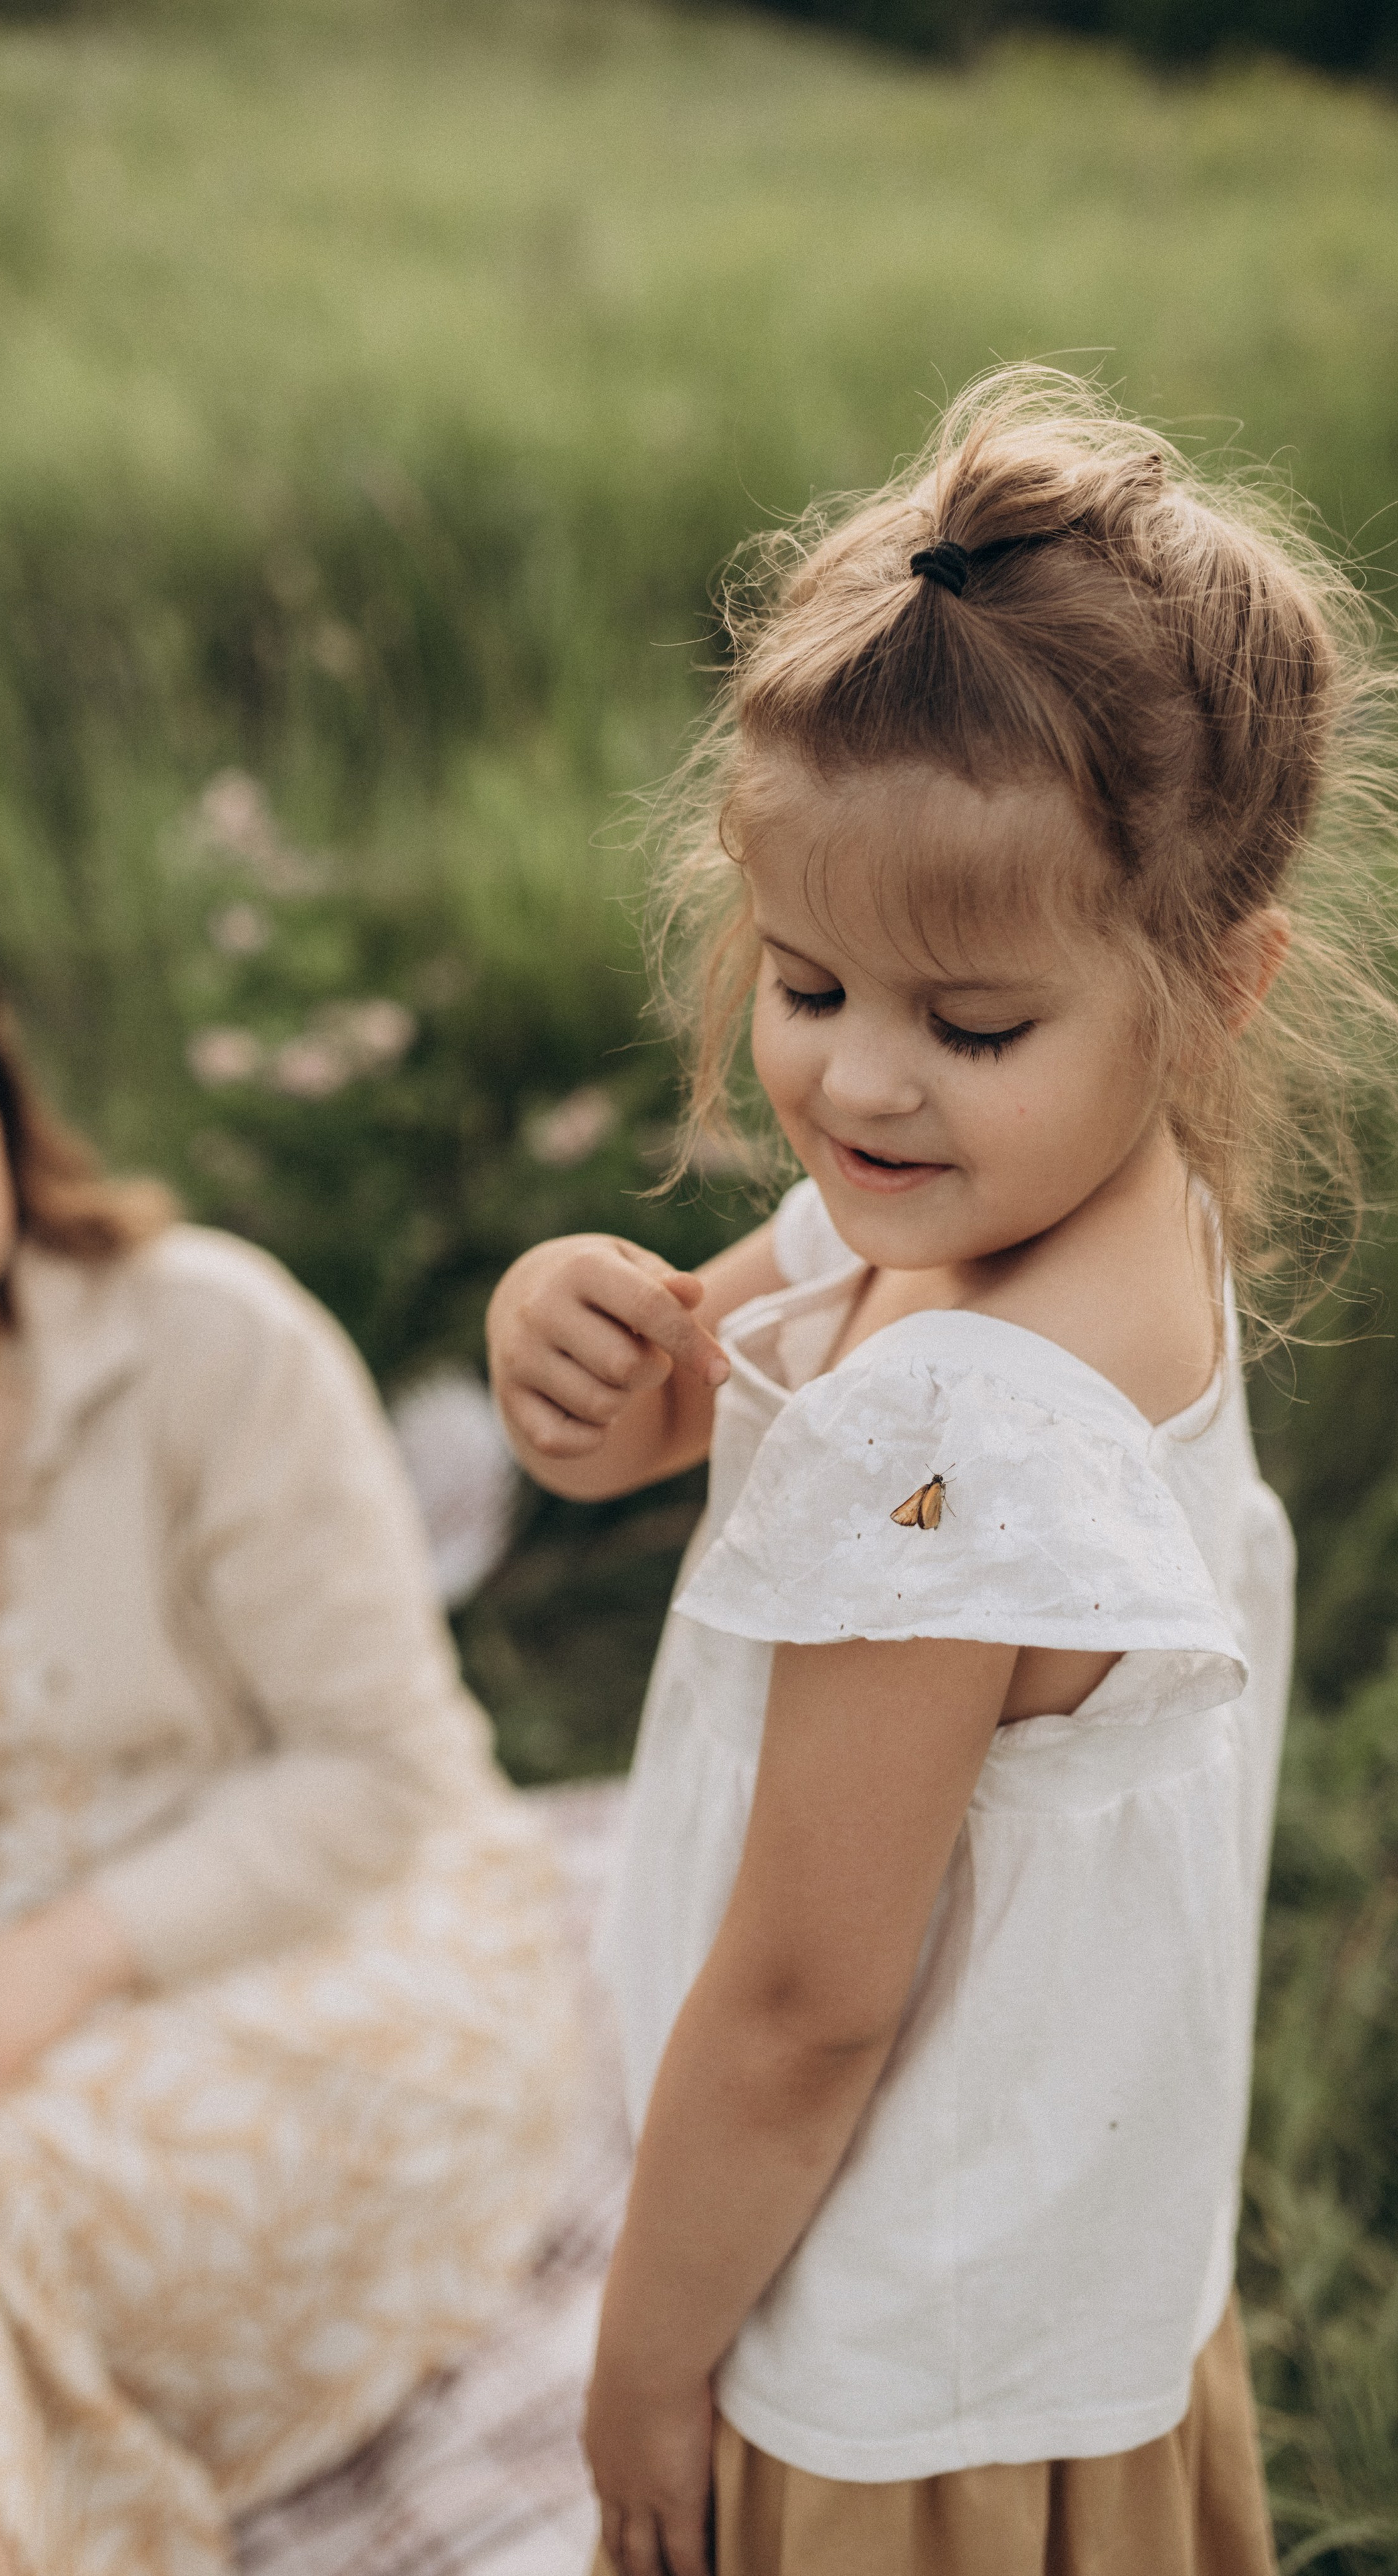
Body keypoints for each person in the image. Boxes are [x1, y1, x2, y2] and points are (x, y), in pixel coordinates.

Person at [487, 368, 1397, 2576]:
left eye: (966, 1023)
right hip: (1067, 2266)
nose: (861, 1082)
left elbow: (803, 2007)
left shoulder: (962, 1424)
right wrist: (590, 1351)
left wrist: (637, 2366)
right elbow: (725, 1378)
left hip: (893, 2356)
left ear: (1212, 986)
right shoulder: (1068, 1198)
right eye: (805, 981)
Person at [0, 898, 576, 2576]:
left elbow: (378, 1772)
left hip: (350, 1957)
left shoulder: (203, 1338)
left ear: (3, 1130)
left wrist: (47, 1964)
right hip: (22, 1980)